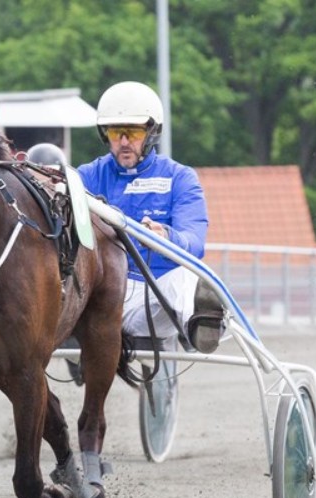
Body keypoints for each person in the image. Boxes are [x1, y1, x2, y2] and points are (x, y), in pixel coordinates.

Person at [77, 80, 224, 353]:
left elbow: (194, 241)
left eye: (132, 133)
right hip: (104, 294)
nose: (123, 142)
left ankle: (199, 322)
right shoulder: (86, 177)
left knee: (185, 276)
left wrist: (166, 237)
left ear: (152, 132)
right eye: (115, 132)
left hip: (155, 295)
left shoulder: (180, 177)